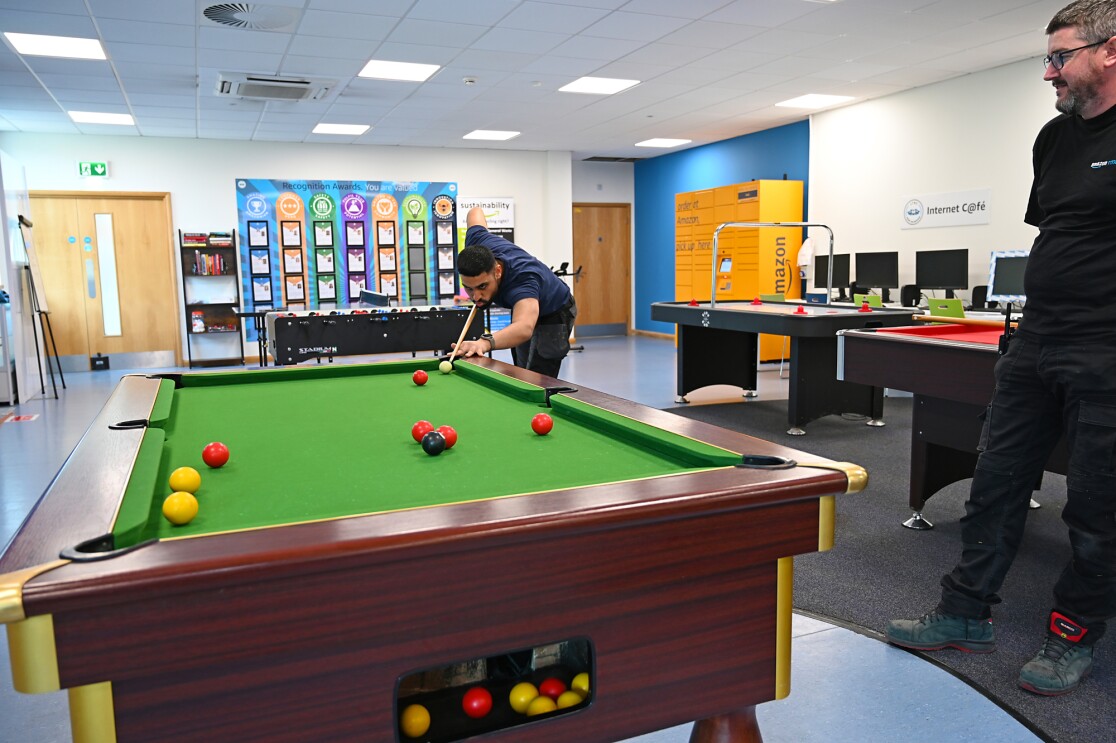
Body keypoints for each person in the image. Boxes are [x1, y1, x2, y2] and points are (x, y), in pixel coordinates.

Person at [886, 0, 1116, 696]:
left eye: (1060, 57)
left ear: (1109, 50)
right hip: (1035, 341)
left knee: (1096, 506)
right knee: (995, 482)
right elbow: (1053, 233)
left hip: (1106, 350)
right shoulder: (1055, 139)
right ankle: (965, 613)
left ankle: (1072, 634)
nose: (1050, 74)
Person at [452, 207, 577, 378]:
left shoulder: (523, 280)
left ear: (497, 271)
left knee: (537, 377)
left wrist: (484, 343)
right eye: (469, 288)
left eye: (482, 286)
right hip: (525, 310)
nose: (476, 297)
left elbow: (524, 328)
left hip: (554, 311)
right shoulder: (477, 241)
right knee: (521, 370)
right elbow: (475, 212)